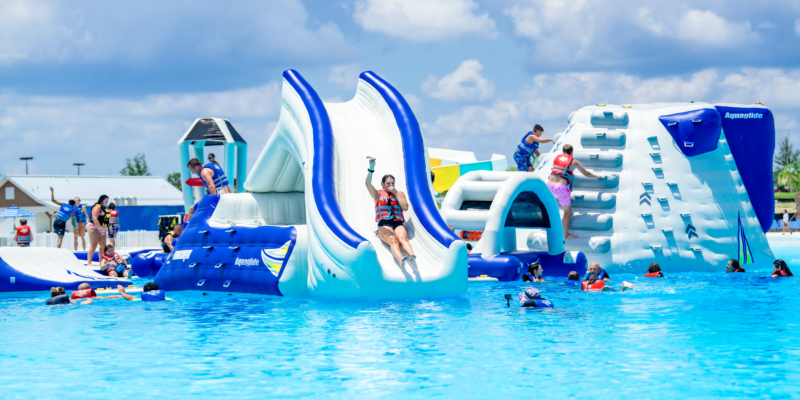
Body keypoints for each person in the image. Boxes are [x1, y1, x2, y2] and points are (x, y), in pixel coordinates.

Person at [366, 156, 416, 265]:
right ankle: (401, 259)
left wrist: (395, 192)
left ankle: (412, 255)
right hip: (384, 225)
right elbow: (368, 184)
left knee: (403, 238)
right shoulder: (378, 194)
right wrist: (371, 169)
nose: (390, 185)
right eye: (388, 183)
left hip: (398, 224)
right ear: (383, 184)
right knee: (394, 240)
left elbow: (405, 207)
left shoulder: (399, 194)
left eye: (392, 183)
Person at [548, 145, 603, 239]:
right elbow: (587, 174)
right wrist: (596, 176)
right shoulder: (574, 161)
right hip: (560, 187)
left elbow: (557, 170)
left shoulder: (556, 158)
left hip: (549, 184)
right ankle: (566, 234)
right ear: (571, 152)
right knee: (567, 212)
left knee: (564, 194)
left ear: (563, 151)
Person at [86, 195, 110, 267]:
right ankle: (89, 262)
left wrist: (108, 227)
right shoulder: (97, 207)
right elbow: (94, 218)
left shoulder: (104, 209)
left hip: (101, 227)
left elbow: (106, 220)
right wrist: (100, 228)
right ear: (102, 200)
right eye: (106, 200)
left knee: (103, 245)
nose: (107, 202)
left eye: (107, 200)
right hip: (94, 227)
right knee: (94, 244)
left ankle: (101, 262)